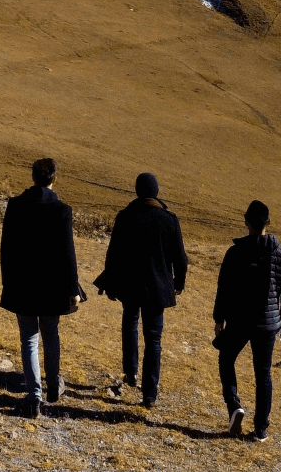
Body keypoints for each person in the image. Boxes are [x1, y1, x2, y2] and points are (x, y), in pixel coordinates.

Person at [92, 172, 188, 410]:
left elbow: (113, 255)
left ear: (136, 191)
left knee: (130, 322)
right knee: (154, 339)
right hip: (157, 288)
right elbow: (181, 258)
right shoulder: (169, 219)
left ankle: (130, 371)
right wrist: (179, 282)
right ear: (156, 192)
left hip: (130, 285)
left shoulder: (125, 217)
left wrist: (110, 283)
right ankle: (150, 394)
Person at [0, 157, 85, 417]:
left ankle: (34, 396)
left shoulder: (15, 206)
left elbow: (6, 249)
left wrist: (8, 282)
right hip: (52, 286)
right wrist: (73, 289)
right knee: (51, 334)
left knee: (28, 337)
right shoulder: (61, 210)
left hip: (22, 284)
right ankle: (53, 384)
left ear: (33, 177)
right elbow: (67, 253)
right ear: (54, 178)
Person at [212, 199, 281, 441]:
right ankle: (261, 429)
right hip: (268, 323)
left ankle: (234, 405)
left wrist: (219, 319)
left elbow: (223, 289)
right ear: (268, 222)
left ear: (245, 221)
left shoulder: (235, 253)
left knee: (226, 358)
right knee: (263, 374)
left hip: (238, 320)